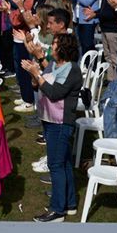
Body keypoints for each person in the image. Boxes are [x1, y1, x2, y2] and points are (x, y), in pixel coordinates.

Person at [21, 32, 83, 222]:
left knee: (55, 165)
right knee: (63, 163)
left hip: (60, 122)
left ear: (63, 48)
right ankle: (69, 203)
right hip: (50, 119)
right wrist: (35, 75)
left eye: (54, 44)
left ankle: (57, 210)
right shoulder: (56, 65)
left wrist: (36, 74)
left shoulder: (72, 70)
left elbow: (55, 93)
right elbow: (40, 85)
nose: (51, 47)